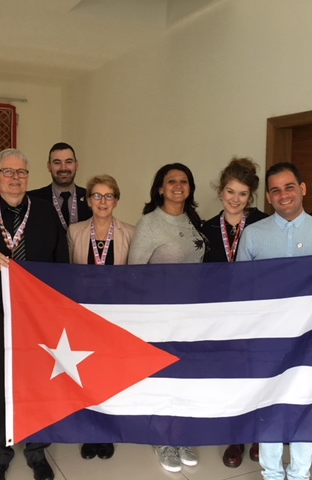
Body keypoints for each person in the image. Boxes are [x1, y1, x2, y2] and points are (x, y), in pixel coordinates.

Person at [235, 162, 312, 480]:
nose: (283, 195)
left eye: (289, 187)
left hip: (311, 340)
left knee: (306, 403)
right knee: (271, 404)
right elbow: (239, 289)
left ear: (303, 189)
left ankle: (300, 473)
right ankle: (273, 473)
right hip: (267, 339)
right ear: (268, 196)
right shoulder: (253, 235)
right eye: (275, 190)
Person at [0, 148, 68, 480]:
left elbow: (61, 260)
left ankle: (37, 451)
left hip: (38, 316)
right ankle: (0, 454)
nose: (15, 178)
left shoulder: (45, 212)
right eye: (8, 172)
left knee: (37, 382)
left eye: (21, 172)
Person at [128, 163, 205, 473]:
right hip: (159, 316)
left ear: (190, 187)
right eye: (171, 181)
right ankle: (162, 437)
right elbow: (134, 275)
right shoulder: (149, 223)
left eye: (184, 181)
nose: (177, 186)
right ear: (160, 188)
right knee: (162, 376)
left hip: (193, 316)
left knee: (187, 376)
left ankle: (182, 433)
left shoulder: (196, 221)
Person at [201, 157, 268, 467]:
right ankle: (235, 437)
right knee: (231, 377)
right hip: (222, 317)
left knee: (259, 374)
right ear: (220, 191)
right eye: (230, 192)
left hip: (257, 314)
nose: (235, 199)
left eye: (242, 194)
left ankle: (258, 435)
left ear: (251, 196)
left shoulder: (264, 224)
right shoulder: (205, 228)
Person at [67, 174, 135, 461]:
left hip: (116, 315)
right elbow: (67, 272)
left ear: (117, 200)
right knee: (86, 374)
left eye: (109, 196)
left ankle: (106, 433)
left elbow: (135, 276)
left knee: (110, 375)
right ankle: (89, 432)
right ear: (88, 199)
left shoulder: (131, 232)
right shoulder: (74, 231)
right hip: (84, 315)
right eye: (97, 195)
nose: (103, 201)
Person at [28, 142, 92, 230]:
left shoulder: (91, 197)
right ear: (49, 166)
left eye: (69, 162)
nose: (63, 168)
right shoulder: (32, 199)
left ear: (76, 165)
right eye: (57, 163)